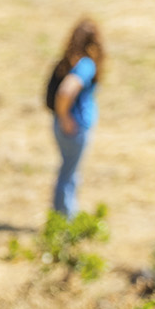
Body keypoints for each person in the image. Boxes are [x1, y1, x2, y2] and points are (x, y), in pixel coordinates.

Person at [47, 17, 105, 219]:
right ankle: (65, 220)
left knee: (67, 171)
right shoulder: (86, 64)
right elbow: (65, 92)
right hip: (73, 126)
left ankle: (59, 216)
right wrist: (65, 117)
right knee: (69, 175)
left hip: (62, 125)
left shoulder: (68, 60)